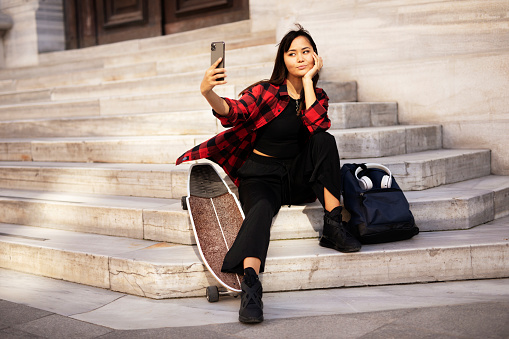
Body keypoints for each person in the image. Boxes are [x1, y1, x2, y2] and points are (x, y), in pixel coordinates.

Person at [176, 24, 361, 324]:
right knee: (260, 210)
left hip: (298, 177)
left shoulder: (319, 95)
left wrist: (309, 81)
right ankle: (251, 283)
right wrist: (208, 92)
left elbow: (316, 126)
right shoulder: (265, 91)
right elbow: (232, 112)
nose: (300, 58)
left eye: (306, 52)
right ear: (282, 60)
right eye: (292, 53)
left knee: (324, 140)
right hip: (261, 175)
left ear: (315, 57)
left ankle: (333, 225)